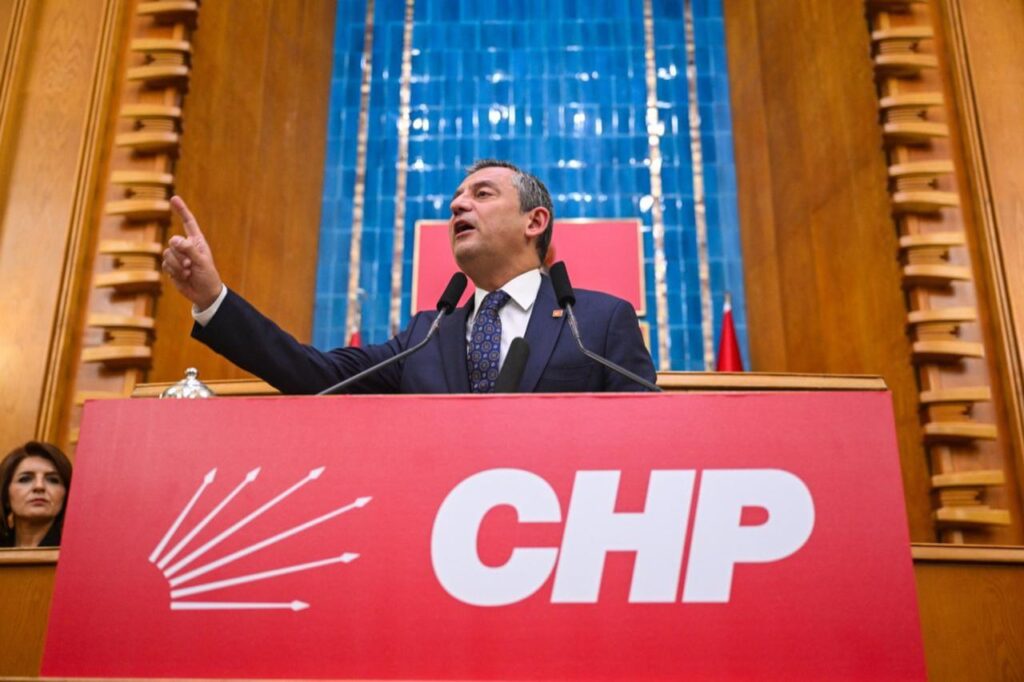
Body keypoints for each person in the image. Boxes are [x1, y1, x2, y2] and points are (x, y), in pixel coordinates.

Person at [161, 159, 656, 393]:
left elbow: (641, 441)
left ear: (535, 222)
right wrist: (212, 298)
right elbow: (314, 375)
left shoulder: (597, 323)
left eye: (482, 194)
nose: (458, 205)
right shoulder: (425, 335)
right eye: (456, 199)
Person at [0, 442, 72, 548]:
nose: (39, 486)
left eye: (53, 480)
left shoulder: (76, 549)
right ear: (6, 495)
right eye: (25, 479)